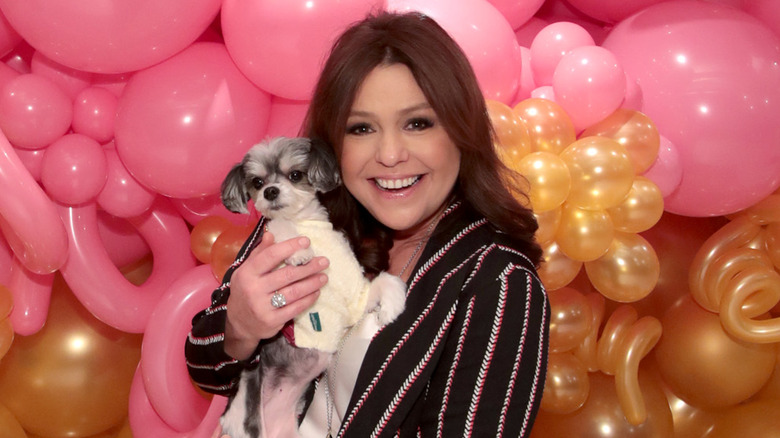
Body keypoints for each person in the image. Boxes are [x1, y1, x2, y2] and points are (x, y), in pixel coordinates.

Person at [186, 11, 549, 437]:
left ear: (460, 130)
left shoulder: (498, 283)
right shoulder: (307, 217)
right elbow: (204, 369)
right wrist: (238, 328)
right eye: (361, 128)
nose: (391, 154)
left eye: (418, 123)